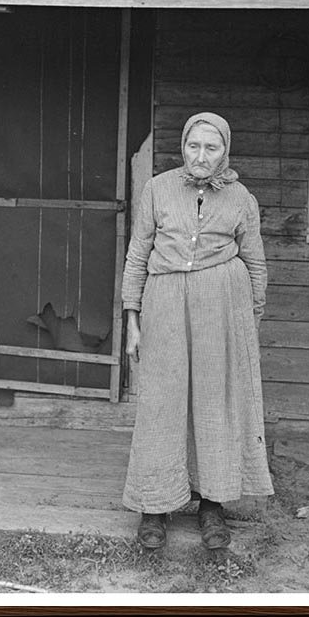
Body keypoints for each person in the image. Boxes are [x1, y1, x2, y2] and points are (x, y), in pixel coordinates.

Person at [120, 111, 274, 552]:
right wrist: (133, 320)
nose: (201, 156)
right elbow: (137, 255)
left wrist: (250, 323)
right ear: (183, 147)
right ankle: (154, 507)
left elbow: (256, 263)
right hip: (164, 307)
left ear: (225, 151)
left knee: (214, 404)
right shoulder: (158, 189)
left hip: (221, 311)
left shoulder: (242, 198)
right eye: (194, 146)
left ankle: (212, 506)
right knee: (161, 404)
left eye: (211, 148)